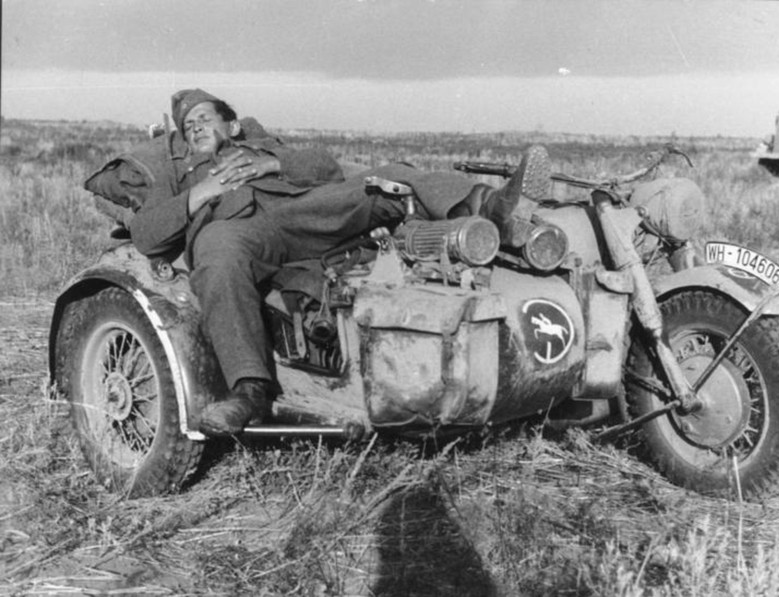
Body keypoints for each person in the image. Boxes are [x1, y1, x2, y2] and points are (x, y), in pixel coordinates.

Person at [88, 88, 552, 436]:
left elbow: (327, 170)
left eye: (204, 118)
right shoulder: (180, 172)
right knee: (217, 252)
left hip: (306, 214)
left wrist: (272, 166)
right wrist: (200, 194)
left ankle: (495, 209)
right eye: (187, 126)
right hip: (243, 232)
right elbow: (148, 233)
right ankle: (250, 391)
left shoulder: (266, 147)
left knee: (385, 180)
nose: (194, 127)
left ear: (231, 126)